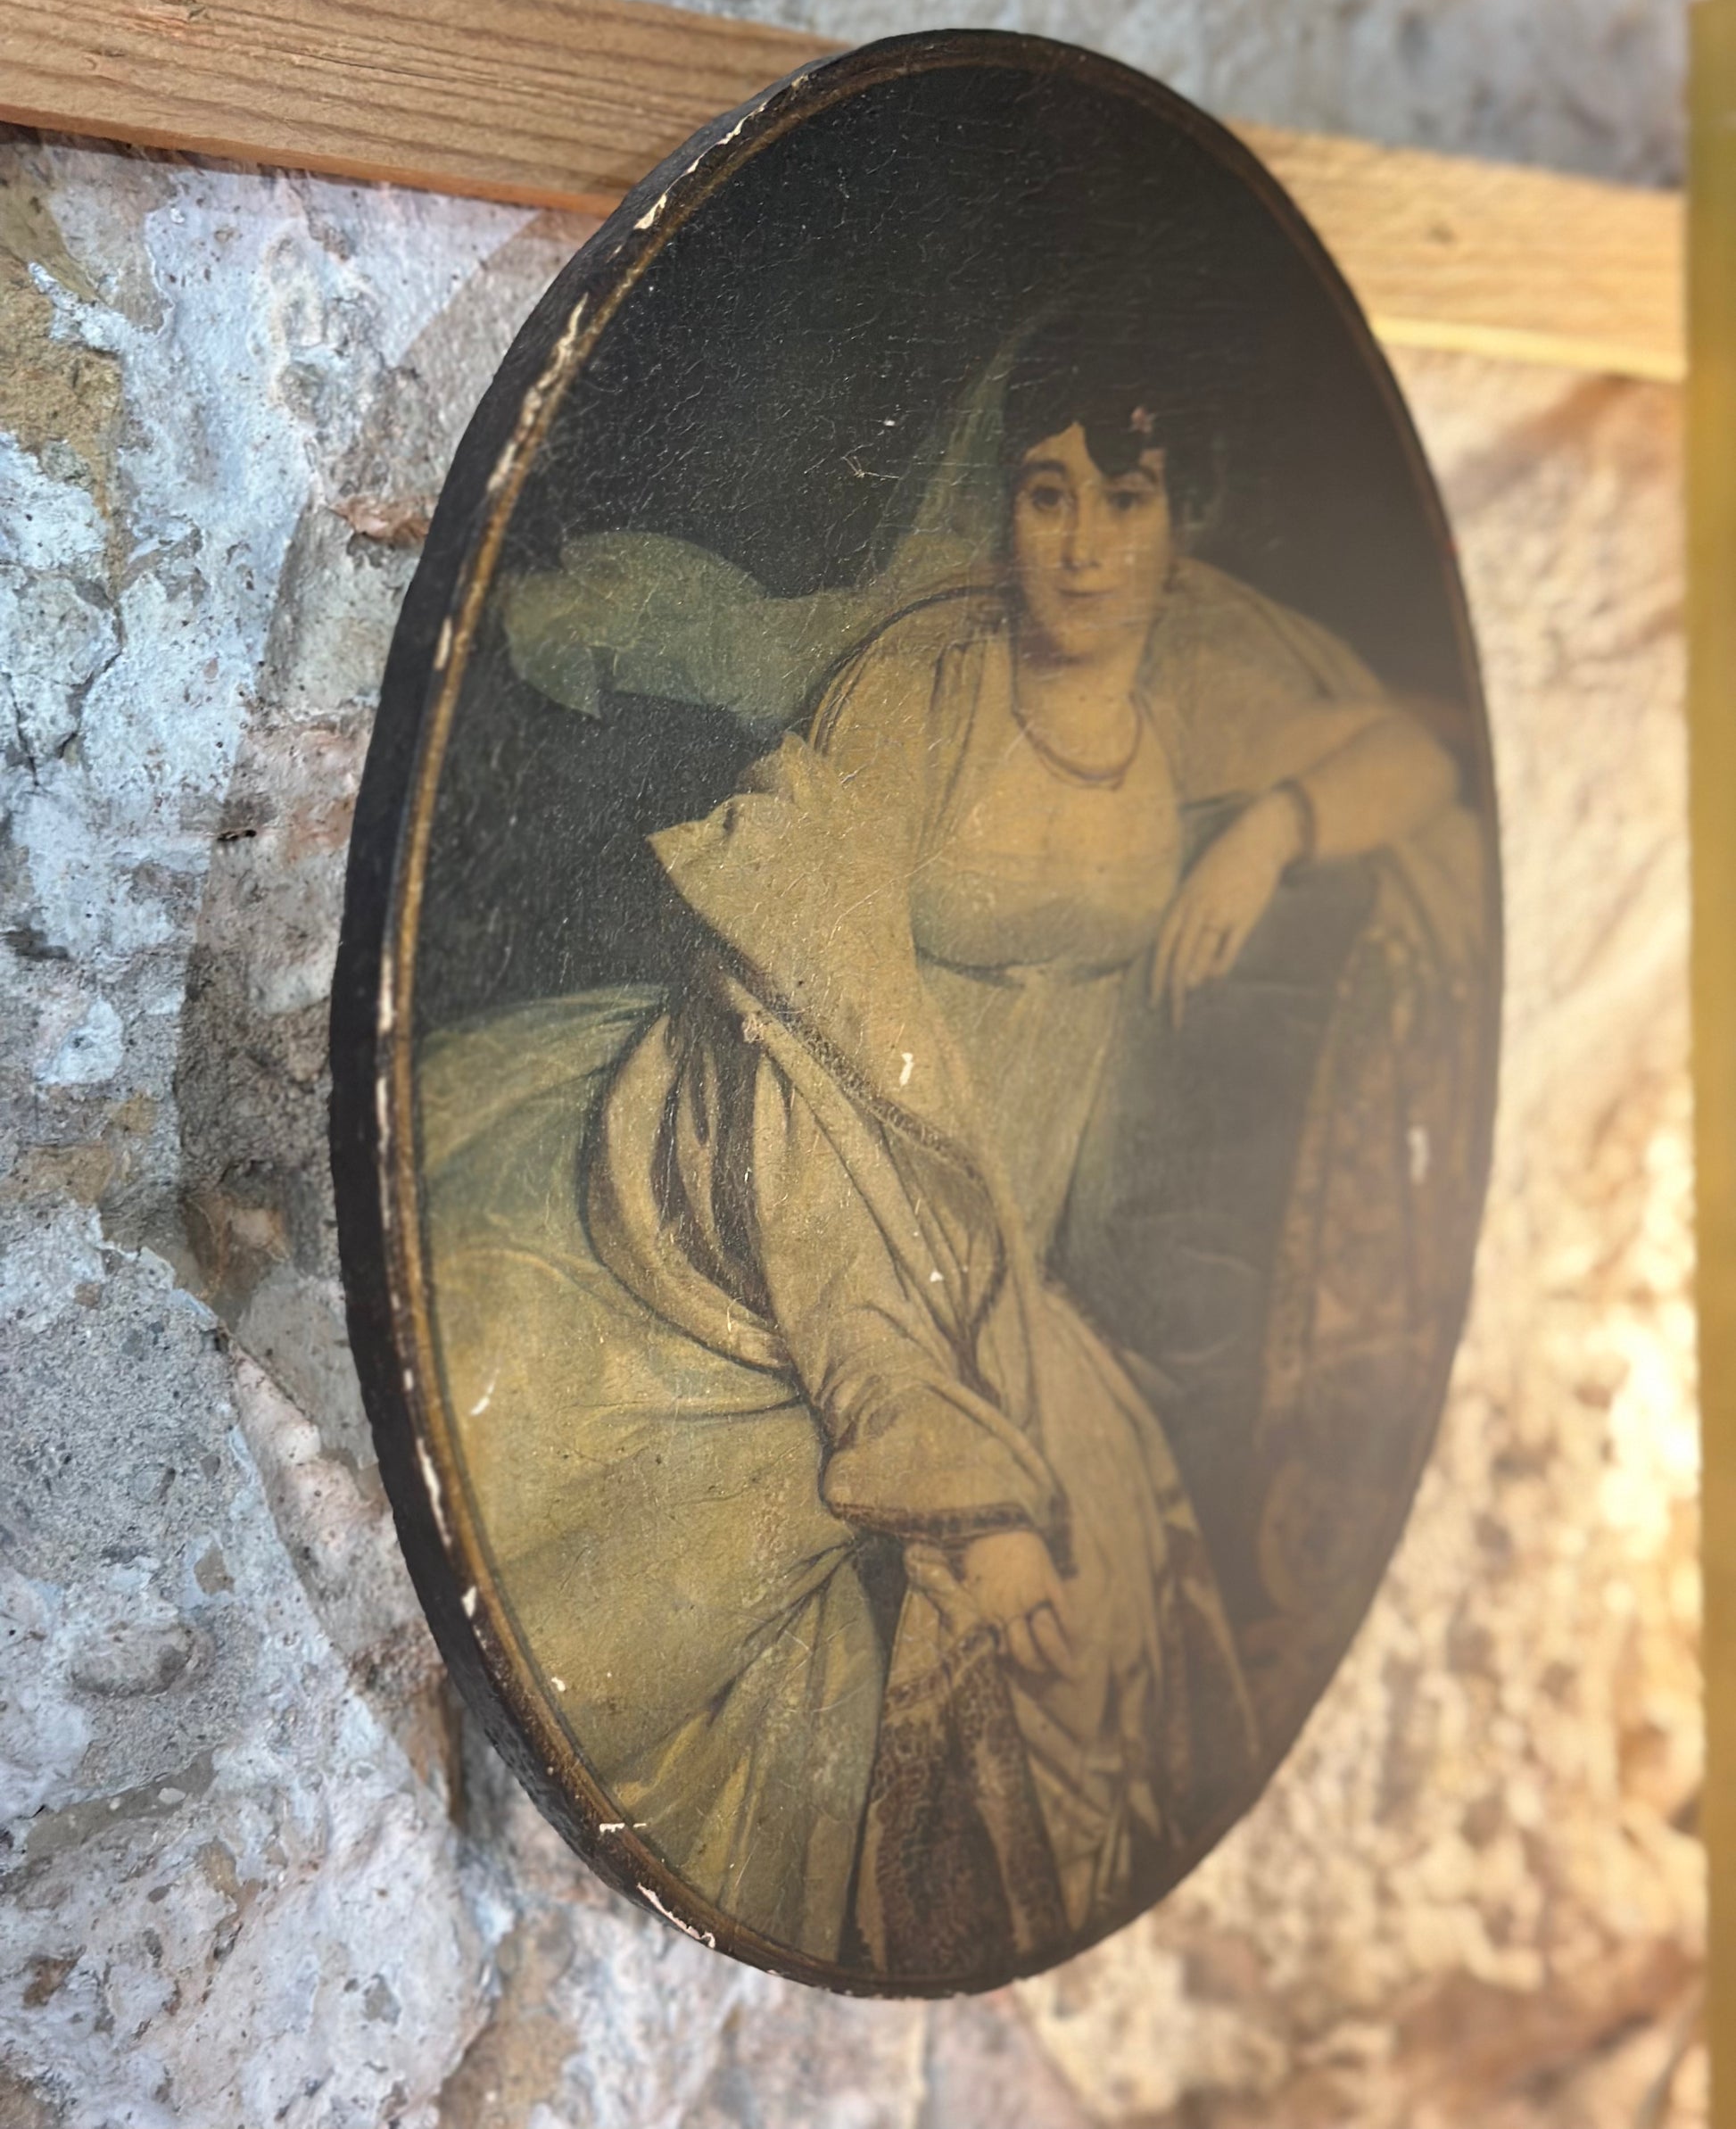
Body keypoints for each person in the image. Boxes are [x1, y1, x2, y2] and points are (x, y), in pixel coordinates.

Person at [418, 319, 1485, 1981]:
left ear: (1179, 518)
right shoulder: (919, 700)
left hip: (979, 1251)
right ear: (1000, 512)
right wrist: (943, 1468)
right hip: (784, 1200)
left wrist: (1271, 831)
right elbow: (814, 1073)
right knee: (643, 1647)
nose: (1082, 547)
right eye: (1045, 495)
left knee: (1109, 1673)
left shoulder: (1186, 686)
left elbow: (1418, 746)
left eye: (1123, 498)